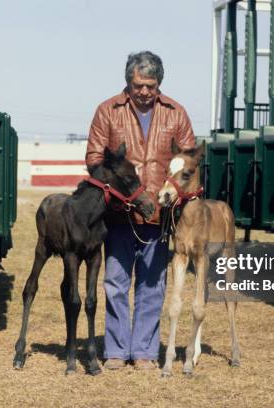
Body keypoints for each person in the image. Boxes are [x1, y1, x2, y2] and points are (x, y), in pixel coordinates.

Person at [85, 51, 195, 370]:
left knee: (152, 283)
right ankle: (117, 350)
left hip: (159, 216)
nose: (145, 91)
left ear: (159, 83)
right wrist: (124, 192)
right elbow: (94, 159)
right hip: (118, 215)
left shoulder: (177, 113)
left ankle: (145, 351)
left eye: (151, 84)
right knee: (116, 282)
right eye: (139, 85)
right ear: (128, 82)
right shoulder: (107, 111)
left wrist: (173, 195)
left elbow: (187, 161)